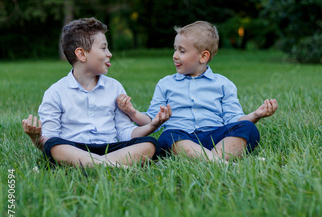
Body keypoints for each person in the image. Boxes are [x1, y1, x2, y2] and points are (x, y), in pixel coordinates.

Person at [117, 21, 278, 163]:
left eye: (182, 51)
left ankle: (209, 160)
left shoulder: (223, 84)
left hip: (215, 137)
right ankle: (222, 163)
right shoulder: (166, 84)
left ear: (203, 56)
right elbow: (151, 120)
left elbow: (234, 120)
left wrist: (256, 115)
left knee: (248, 128)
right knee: (168, 136)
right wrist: (132, 112)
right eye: (175, 49)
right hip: (182, 138)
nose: (175, 56)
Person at [22, 17, 171, 168]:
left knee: (150, 144)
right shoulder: (55, 93)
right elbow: (49, 141)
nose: (109, 53)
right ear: (81, 54)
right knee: (53, 145)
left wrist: (152, 125)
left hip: (110, 148)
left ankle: (95, 165)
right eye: (103, 48)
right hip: (74, 149)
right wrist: (37, 138)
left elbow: (125, 132)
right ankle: (114, 166)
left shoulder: (115, 87)